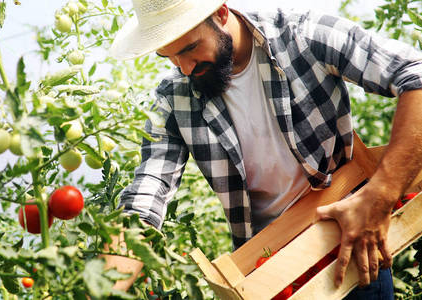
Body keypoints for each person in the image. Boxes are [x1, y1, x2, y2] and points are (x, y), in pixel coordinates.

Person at [106, 0, 422, 298]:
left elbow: (415, 74)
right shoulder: (173, 99)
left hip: (350, 244)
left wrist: (380, 195)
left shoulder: (302, 36)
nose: (185, 68)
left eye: (190, 49)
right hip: (267, 272)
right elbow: (146, 198)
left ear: (221, 13)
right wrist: (103, 288)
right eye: (169, 56)